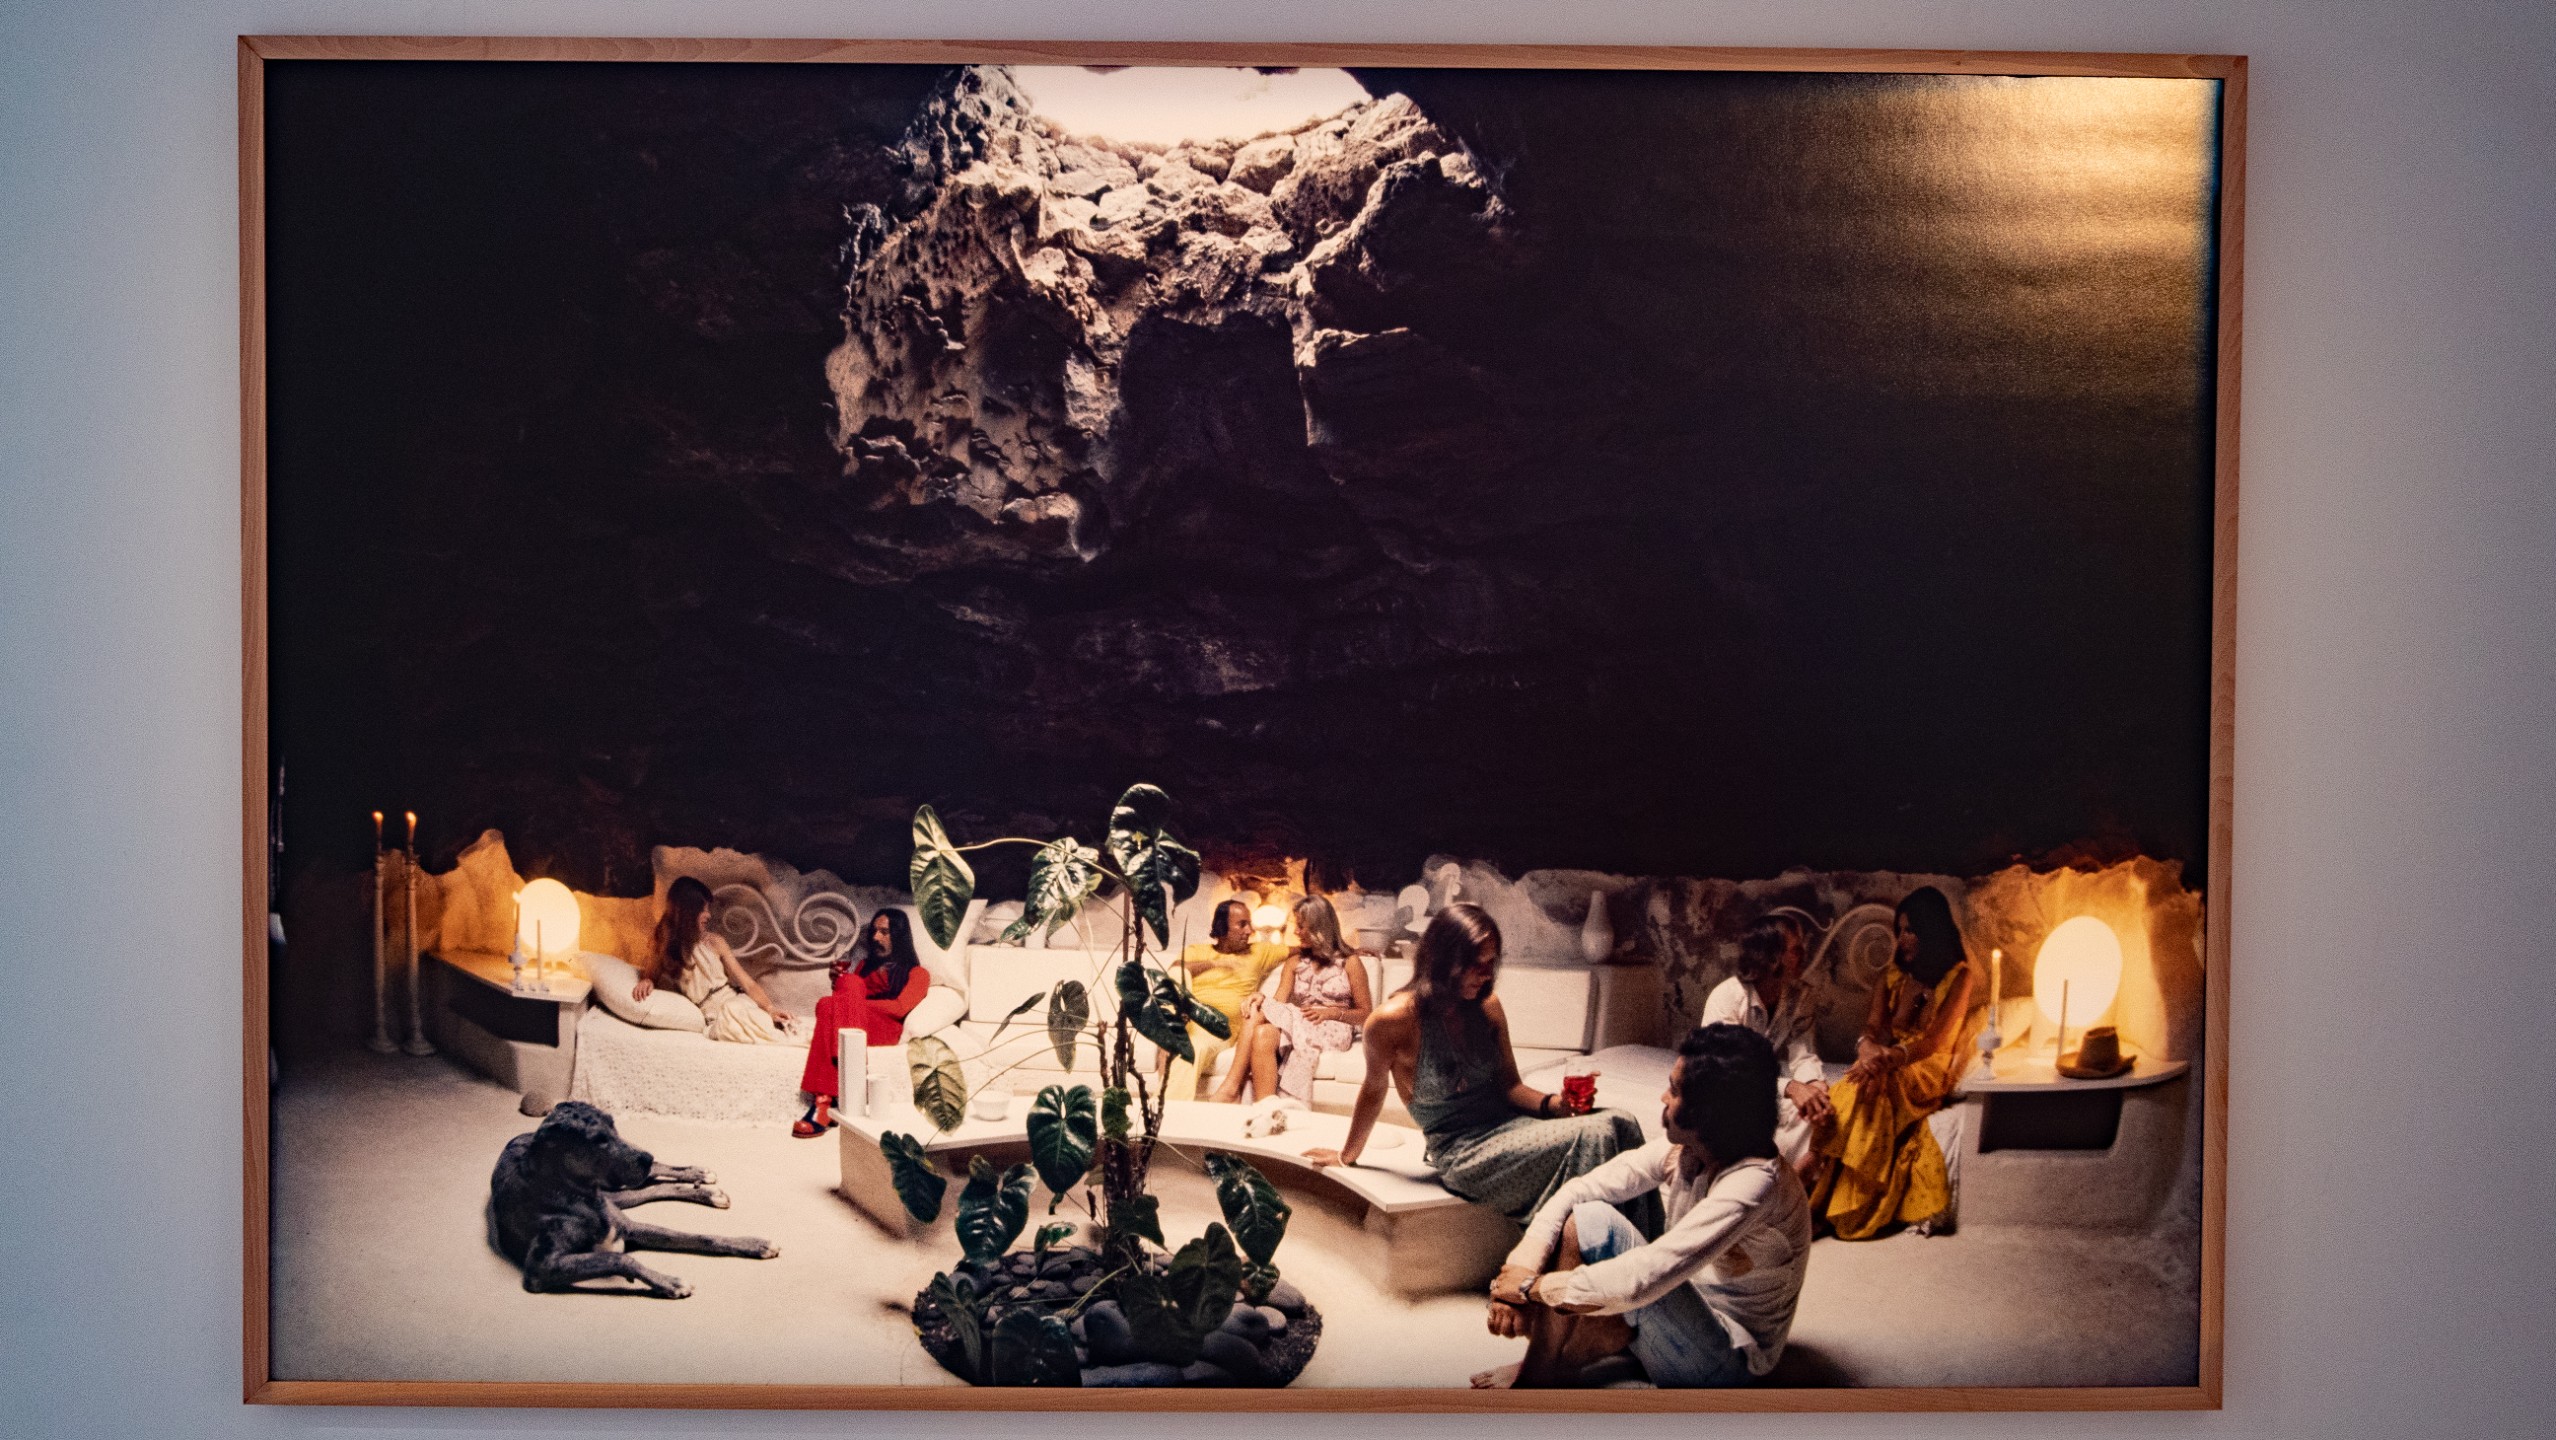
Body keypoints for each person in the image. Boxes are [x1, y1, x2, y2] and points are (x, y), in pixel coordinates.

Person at [1474, 1023, 1813, 1388]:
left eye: (1675, 1091)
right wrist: (1522, 1267)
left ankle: (1537, 1375)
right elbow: (1578, 1190)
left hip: (1732, 1362)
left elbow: (1649, 1274)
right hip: (1683, 1311)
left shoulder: (1755, 1183)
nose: (1663, 1098)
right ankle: (1560, 1358)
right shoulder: (1693, 1151)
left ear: (1708, 1115)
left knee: (1605, 1279)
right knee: (1586, 1219)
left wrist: (1533, 1288)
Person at [1305, 903, 1646, 1225]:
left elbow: (1511, 1087)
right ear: (1442, 960)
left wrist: (1558, 1105)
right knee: (1597, 1135)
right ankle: (1594, 1251)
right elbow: (1374, 1089)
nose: (1485, 974)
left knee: (1622, 1123)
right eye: (1474, 963)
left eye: (1490, 963)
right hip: (1464, 1152)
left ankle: (1636, 1247)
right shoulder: (1391, 1020)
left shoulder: (1487, 1006)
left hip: (1511, 1126)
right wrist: (1346, 1156)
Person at [1810, 886, 1982, 1239]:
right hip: (1889, 1059)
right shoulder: (1892, 976)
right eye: (1899, 930)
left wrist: (1891, 1059)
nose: (1901, 939)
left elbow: (1935, 1041)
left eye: (1910, 930)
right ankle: (1823, 1190)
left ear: (1931, 931)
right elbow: (1873, 1027)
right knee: (1860, 1083)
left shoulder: (1959, 977)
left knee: (1879, 1083)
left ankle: (1821, 1195)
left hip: (1928, 1065)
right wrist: (1867, 1049)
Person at [1211, 894, 1374, 1107]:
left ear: (1319, 927)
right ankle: (1266, 1108)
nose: (1296, 932)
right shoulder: (1295, 962)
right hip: (1302, 1021)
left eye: (1301, 926)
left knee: (1262, 1010)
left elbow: (1366, 1014)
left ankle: (1231, 1088)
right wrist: (1262, 998)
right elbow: (1279, 1002)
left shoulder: (1350, 963)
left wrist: (1332, 1012)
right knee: (1262, 1029)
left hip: (1335, 1026)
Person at [1700, 913, 1831, 1175]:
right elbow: (1729, 1071)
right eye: (1795, 949)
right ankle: (1760, 1180)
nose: (1804, 955)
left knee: (1817, 1110)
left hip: (1758, 1089)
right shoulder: (1728, 997)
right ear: (1772, 957)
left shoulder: (1799, 997)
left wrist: (1814, 1085)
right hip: (1720, 1089)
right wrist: (1790, 1087)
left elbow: (1803, 1052)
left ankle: (1789, 1183)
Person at [792, 907, 933, 1138]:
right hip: (856, 1026)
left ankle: (823, 1106)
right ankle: (824, 1101)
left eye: (884, 932)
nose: (876, 937)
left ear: (899, 936)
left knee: (834, 1000)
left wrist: (853, 1004)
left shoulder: (918, 973)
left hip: (885, 1027)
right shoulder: (862, 967)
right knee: (829, 1002)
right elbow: (844, 1007)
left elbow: (899, 1008)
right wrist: (837, 984)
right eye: (874, 931)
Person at [637, 876, 793, 1045]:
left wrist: (770, 1009)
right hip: (713, 1017)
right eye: (703, 910)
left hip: (735, 1003)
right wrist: (647, 981)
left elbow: (747, 983)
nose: (708, 915)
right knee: (728, 1023)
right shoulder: (665, 944)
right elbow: (651, 974)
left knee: (734, 1010)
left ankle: (777, 1032)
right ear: (687, 912)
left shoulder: (715, 942)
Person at [1166, 898, 1288, 1100]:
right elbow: (1175, 970)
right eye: (1242, 924)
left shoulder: (1260, 951)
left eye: (1249, 924)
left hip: (1217, 1027)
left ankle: (1169, 1111)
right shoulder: (1197, 951)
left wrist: (1347, 949)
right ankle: (1173, 1022)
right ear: (1222, 928)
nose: (1249, 931)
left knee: (1190, 1047)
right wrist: (1215, 964)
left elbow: (1303, 949)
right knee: (1176, 974)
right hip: (1189, 1019)